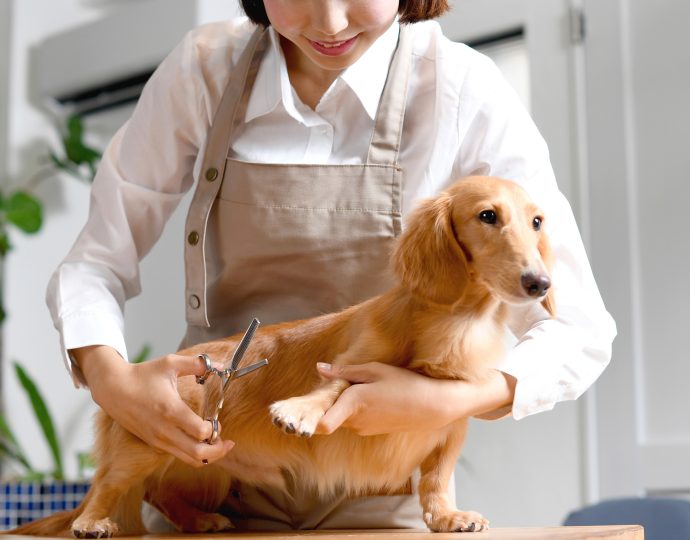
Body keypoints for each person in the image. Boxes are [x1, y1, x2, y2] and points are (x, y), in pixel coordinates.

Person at [46, 0, 616, 530]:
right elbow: (94, 261)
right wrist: (112, 381)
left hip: (378, 491)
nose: (330, 22)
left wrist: (447, 401)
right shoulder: (205, 68)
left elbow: (578, 329)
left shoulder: (463, 88)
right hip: (211, 477)